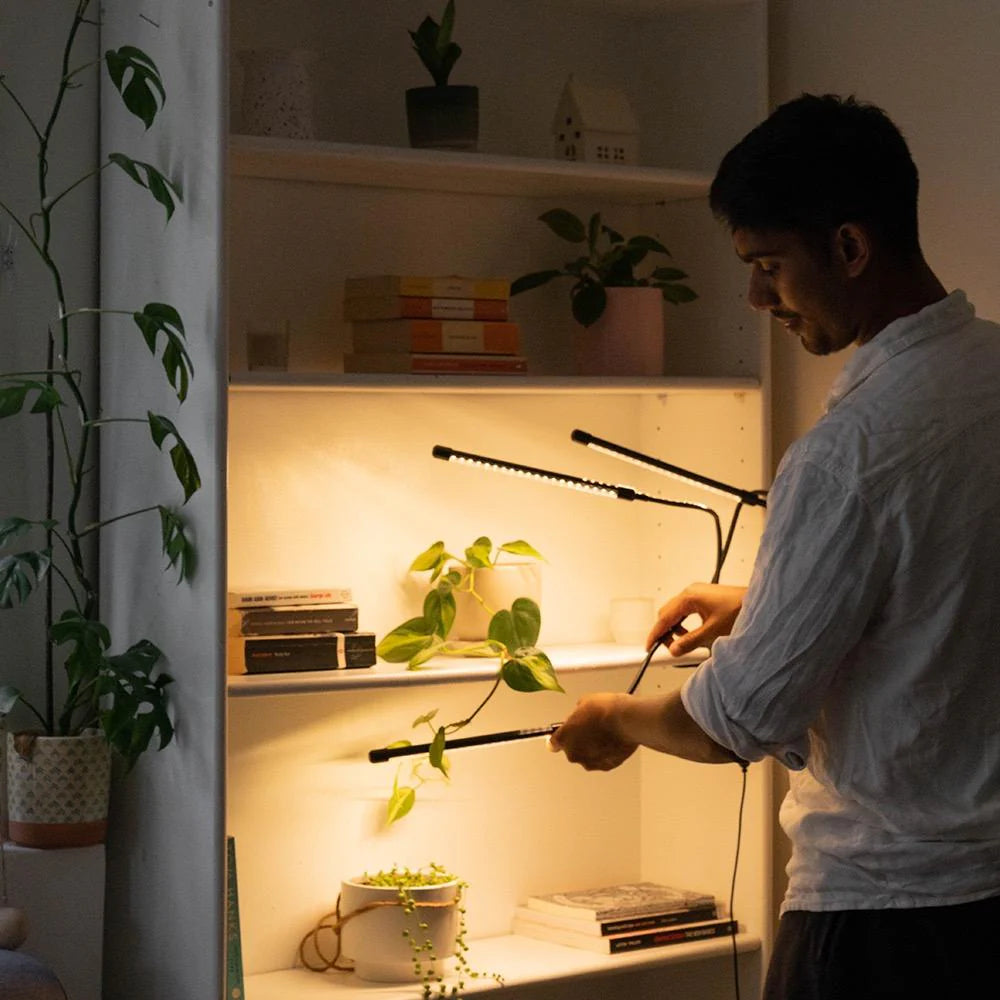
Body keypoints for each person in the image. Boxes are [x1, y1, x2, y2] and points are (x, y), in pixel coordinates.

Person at [548, 94, 1000, 999]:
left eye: (768, 265)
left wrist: (614, 717)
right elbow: (951, 587)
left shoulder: (849, 454)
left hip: (883, 927)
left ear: (849, 248)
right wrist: (766, 605)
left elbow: (736, 721)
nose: (757, 298)